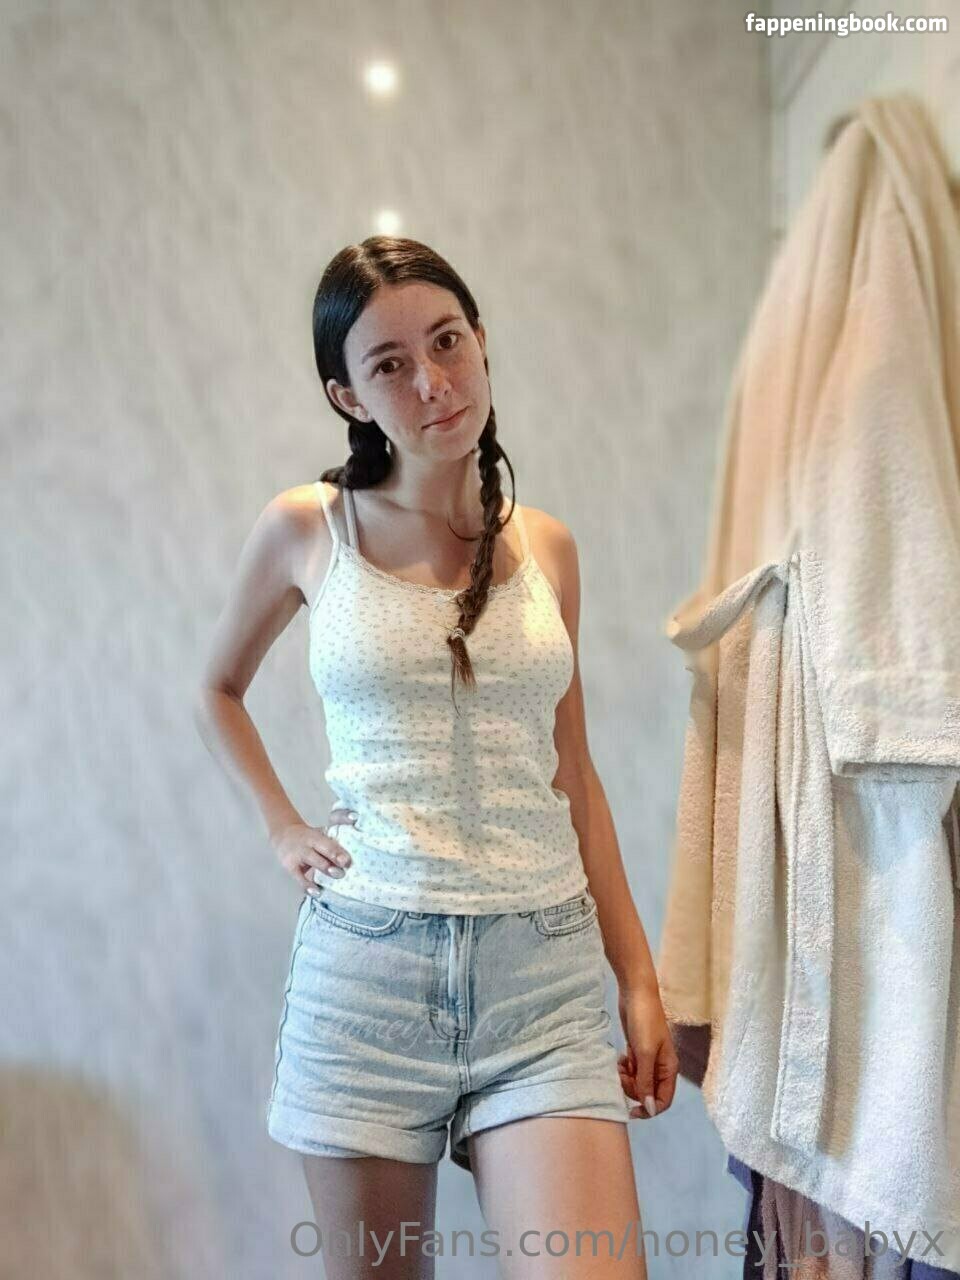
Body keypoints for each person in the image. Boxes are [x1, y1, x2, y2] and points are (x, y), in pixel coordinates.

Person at [194, 235, 679, 1279]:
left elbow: (573, 770)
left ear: (482, 342)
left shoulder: (548, 548)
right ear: (348, 396)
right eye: (391, 364)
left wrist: (638, 976)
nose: (434, 381)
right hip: (367, 976)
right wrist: (281, 824)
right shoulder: (308, 528)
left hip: (541, 979)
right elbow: (215, 690)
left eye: (447, 341)